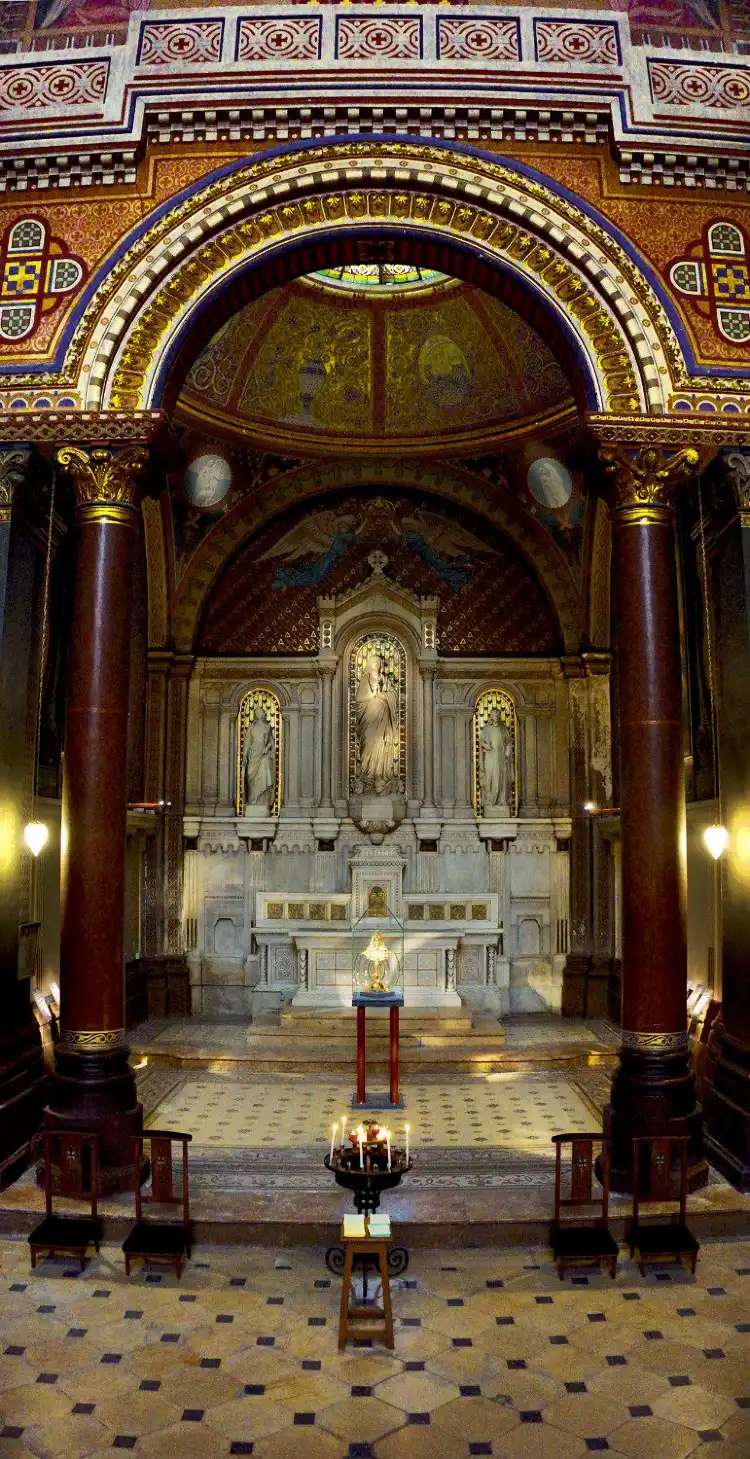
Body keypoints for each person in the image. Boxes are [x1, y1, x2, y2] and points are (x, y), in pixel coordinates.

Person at [355, 652, 398, 793]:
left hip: (383, 717)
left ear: (381, 665)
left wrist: (382, 695)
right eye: (373, 662)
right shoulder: (365, 680)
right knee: (368, 741)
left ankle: (380, 776)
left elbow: (393, 695)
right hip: (368, 718)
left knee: (381, 744)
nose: (376, 664)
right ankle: (367, 776)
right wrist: (373, 696)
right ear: (369, 664)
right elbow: (359, 698)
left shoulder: (385, 679)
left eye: (378, 662)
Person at [479, 708, 512, 810]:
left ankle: (501, 800)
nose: (496, 717)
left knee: (502, 779)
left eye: (497, 715)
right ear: (491, 716)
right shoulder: (487, 729)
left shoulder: (503, 729)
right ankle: (489, 801)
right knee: (490, 778)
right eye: (494, 715)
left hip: (501, 757)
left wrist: (507, 753)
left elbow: (508, 743)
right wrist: (486, 746)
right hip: (490, 757)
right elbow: (481, 741)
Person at [242, 707, 275, 810]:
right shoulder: (251, 727)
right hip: (253, 755)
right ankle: (252, 800)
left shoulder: (267, 727)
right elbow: (247, 742)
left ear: (264, 713)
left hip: (263, 755)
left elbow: (271, 742)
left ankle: (262, 801)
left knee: (264, 775)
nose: (258, 713)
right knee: (250, 775)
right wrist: (244, 756)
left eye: (260, 711)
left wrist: (267, 748)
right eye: (256, 712)